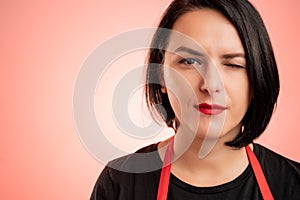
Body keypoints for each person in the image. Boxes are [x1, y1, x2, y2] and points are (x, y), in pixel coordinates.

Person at [90, 0, 300, 199]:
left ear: (257, 79)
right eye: (189, 61)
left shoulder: (293, 185)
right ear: (161, 74)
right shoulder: (120, 183)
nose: (210, 85)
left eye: (233, 64)